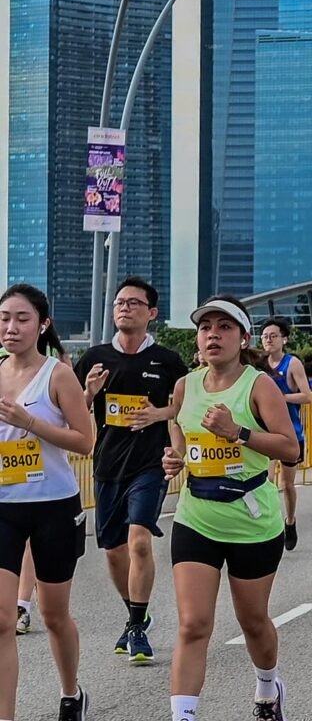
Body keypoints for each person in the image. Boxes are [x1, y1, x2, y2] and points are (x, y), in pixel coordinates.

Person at [162, 295, 298, 721]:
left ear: (243, 338)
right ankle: (183, 717)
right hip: (197, 514)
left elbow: (291, 450)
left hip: (251, 519)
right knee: (193, 624)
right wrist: (176, 458)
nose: (213, 335)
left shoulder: (258, 385)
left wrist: (237, 431)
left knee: (253, 621)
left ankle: (267, 687)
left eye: (224, 327)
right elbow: (182, 436)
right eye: (206, 328)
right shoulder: (186, 386)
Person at [75, 275, 188, 662]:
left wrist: (161, 413)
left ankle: (137, 629)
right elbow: (71, 407)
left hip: (149, 464)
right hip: (107, 463)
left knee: (140, 539)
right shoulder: (94, 358)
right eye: (119, 302)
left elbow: (189, 403)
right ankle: (135, 612)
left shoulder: (169, 361)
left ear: (151, 313)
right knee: (112, 551)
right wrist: (88, 392)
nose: (124, 307)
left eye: (133, 303)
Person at [0, 284, 94, 721]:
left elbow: (85, 441)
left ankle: (71, 692)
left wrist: (30, 421)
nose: (11, 327)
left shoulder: (56, 375)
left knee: (54, 614)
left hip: (54, 506)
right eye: (4, 318)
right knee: (2, 621)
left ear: (42, 324)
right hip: (4, 506)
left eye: (21, 318)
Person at [259, 317, 311, 552]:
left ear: (284, 339)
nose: (268, 340)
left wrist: (280, 399)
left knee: (287, 484)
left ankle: (290, 521)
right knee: (266, 483)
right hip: (266, 433)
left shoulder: (292, 364)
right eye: (265, 336)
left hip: (291, 432)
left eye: (273, 336)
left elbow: (307, 396)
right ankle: (270, 527)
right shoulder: (258, 364)